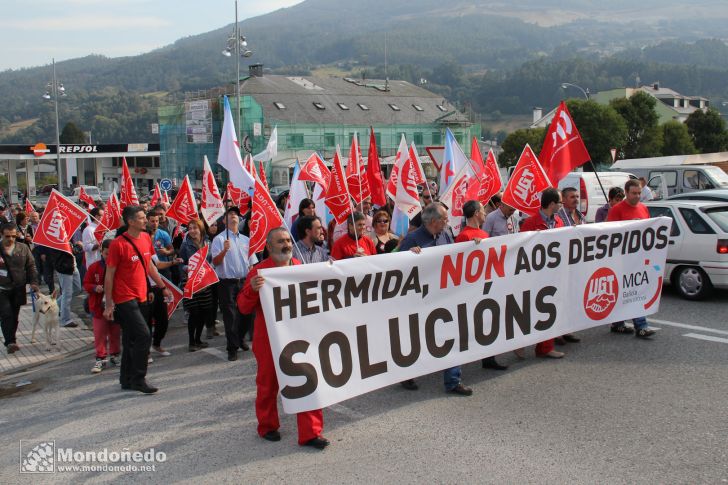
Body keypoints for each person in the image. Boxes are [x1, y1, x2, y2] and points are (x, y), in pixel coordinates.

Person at [237, 227, 328, 450]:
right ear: (269, 247)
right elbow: (243, 307)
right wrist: (252, 290)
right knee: (268, 384)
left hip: (299, 337)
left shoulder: (299, 268)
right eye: (280, 241)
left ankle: (311, 433)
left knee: (308, 381)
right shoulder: (258, 272)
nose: (286, 244)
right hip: (268, 339)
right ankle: (267, 426)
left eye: (288, 240)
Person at [399, 203, 473, 395]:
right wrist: (408, 256)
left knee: (451, 334)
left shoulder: (445, 235)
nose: (448, 222)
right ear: (433, 221)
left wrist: (474, 247)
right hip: (420, 299)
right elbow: (396, 267)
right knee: (417, 338)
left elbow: (455, 256)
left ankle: (453, 380)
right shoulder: (412, 239)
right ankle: (406, 374)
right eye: (444, 219)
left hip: (444, 296)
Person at [103, 205, 172, 394]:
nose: (146, 220)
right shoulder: (118, 244)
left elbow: (149, 266)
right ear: (131, 221)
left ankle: (126, 379)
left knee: (132, 339)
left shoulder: (144, 238)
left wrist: (162, 287)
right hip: (124, 298)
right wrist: (109, 303)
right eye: (142, 218)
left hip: (142, 294)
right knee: (144, 335)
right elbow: (109, 275)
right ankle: (139, 378)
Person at [455, 200, 508, 371]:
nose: (485, 213)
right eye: (483, 211)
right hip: (471, 288)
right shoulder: (464, 236)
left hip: (486, 285)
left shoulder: (483, 235)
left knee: (487, 321)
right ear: (476, 213)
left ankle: (488, 358)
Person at [607, 179, 657, 339]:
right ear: (626, 193)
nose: (637, 196)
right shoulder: (617, 210)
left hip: (639, 258)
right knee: (629, 291)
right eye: (634, 193)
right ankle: (641, 326)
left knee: (634, 290)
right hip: (622, 259)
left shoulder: (643, 208)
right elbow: (610, 234)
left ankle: (618, 323)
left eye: (639, 193)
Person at [520, 188, 566, 359]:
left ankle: (545, 347)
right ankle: (520, 343)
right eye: (560, 202)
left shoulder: (559, 222)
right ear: (552, 204)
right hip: (535, 275)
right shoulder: (530, 223)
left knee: (549, 309)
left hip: (553, 273)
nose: (562, 205)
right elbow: (521, 248)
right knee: (529, 312)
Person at [211, 206, 257, 361]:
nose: (233, 216)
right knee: (230, 316)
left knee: (247, 313)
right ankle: (232, 348)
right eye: (230, 214)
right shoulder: (219, 239)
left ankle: (240, 338)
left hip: (244, 281)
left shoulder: (246, 240)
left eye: (236, 214)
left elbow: (251, 263)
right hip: (227, 283)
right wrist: (224, 251)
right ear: (224, 220)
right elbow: (215, 262)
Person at [0, 222, 39, 354]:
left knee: (15, 316)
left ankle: (12, 338)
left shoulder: (23, 248)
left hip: (18, 287)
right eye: (7, 236)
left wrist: (34, 282)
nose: (10, 239)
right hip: (1, 289)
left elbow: (31, 266)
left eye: (13, 236)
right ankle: (10, 342)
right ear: (2, 235)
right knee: (6, 314)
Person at [83, 239, 120, 374]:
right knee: (100, 333)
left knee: (115, 331)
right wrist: (94, 287)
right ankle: (100, 357)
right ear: (101, 252)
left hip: (116, 305)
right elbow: (86, 284)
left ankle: (115, 355)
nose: (108, 257)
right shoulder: (94, 267)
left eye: (111, 254)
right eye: (106, 254)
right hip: (98, 306)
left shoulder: (119, 266)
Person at [179, 219, 216, 351]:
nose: (192, 230)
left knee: (203, 312)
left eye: (195, 228)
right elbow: (180, 263)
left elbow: (212, 261)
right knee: (194, 313)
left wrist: (207, 269)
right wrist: (188, 268)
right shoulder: (185, 245)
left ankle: (198, 339)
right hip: (190, 283)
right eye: (190, 228)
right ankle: (191, 342)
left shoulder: (208, 243)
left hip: (204, 282)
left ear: (200, 229)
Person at [51, 245, 83, 328]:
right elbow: (58, 254)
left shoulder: (67, 235)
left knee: (77, 288)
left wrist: (74, 248)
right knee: (67, 293)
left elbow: (71, 251)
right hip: (64, 267)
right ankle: (65, 320)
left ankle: (54, 305)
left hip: (73, 265)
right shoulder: (56, 239)